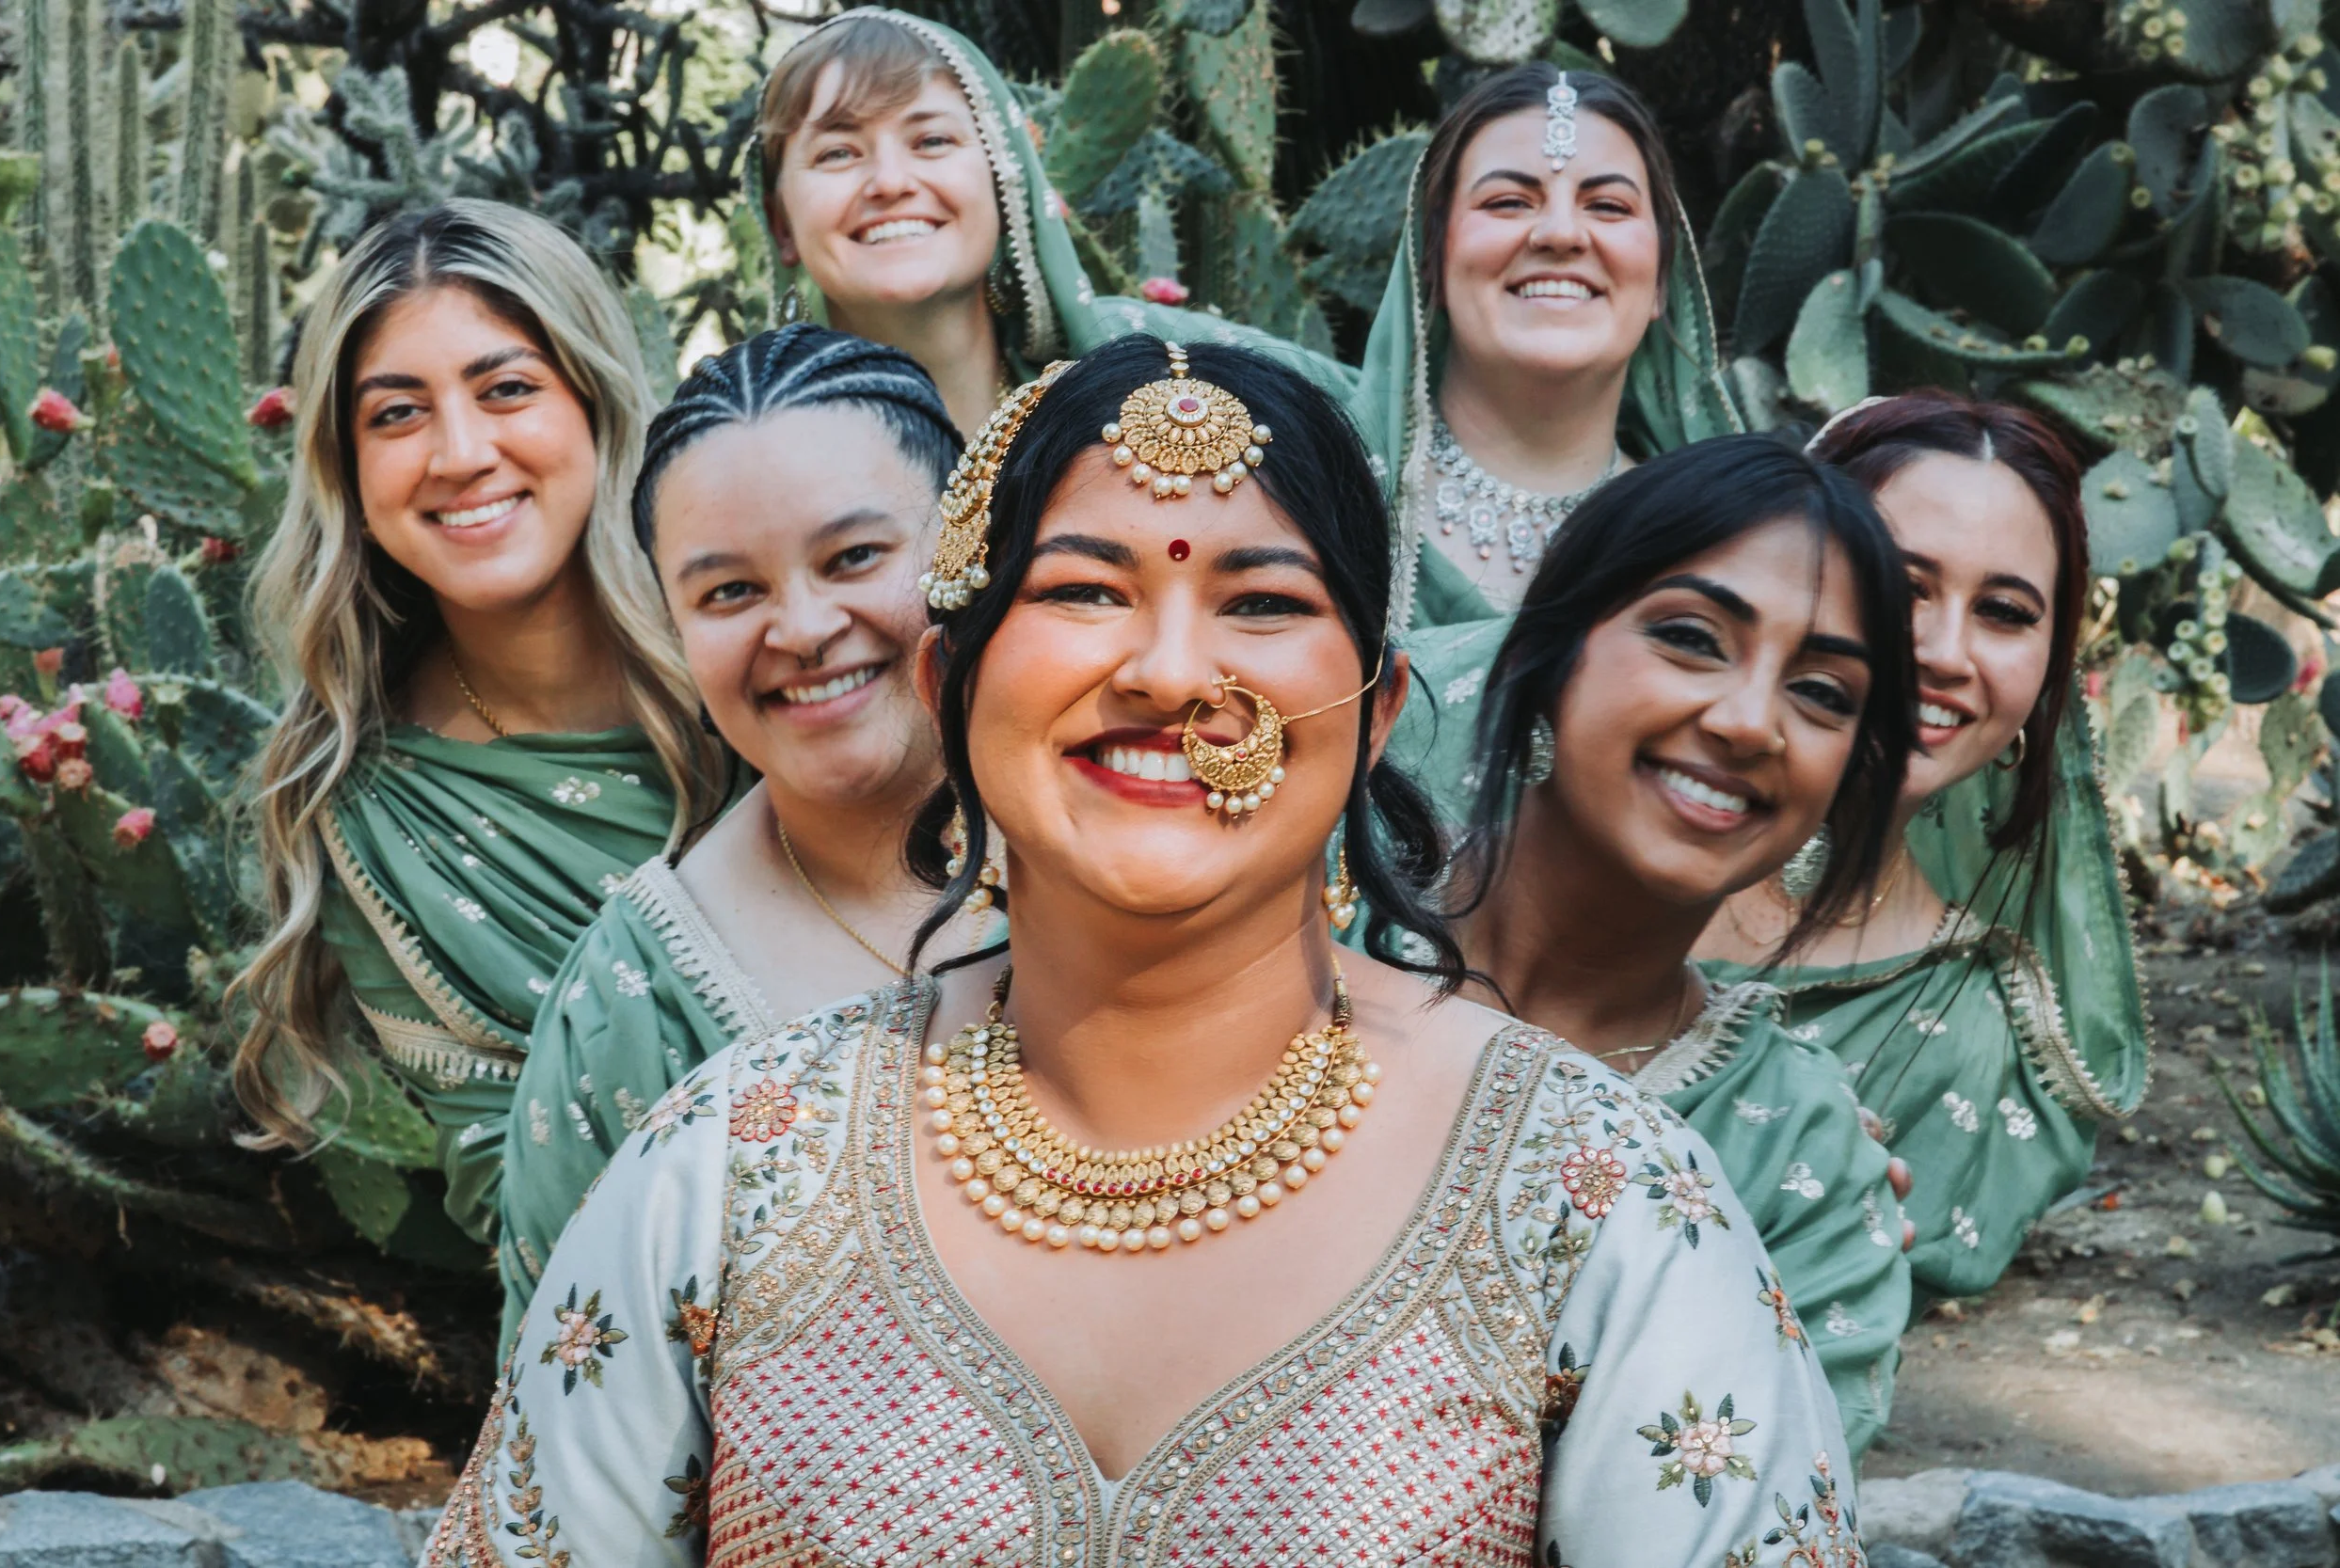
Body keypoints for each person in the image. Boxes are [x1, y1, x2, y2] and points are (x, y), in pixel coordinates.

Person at [422, 338, 1868, 1567]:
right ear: (952, 680)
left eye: (1263, 601)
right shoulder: (731, 1170)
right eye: (1084, 590)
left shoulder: (1598, 1199)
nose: (1172, 674)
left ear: (1373, 713)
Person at [1387, 435, 1918, 1458]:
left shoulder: (1796, 1154)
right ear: (1550, 654)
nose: (1749, 721)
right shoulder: (1298, 943)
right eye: (1691, 636)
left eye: (1821, 693)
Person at [231, 200, 727, 1243]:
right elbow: (509, 1183)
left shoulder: (754, 661)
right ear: (348, 470)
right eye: (396, 414)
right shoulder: (365, 811)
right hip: (644, 1322)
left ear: (592, 401)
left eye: (507, 389)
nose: (459, 453)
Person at [496, 324, 995, 1335]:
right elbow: (563, 1420)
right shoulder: (634, 1003)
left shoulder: (1139, 827)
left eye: (854, 556)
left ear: (967, 548)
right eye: (730, 591)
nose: (802, 629)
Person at [1695, 392, 2151, 1309]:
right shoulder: (1559, 813)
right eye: (1905, 587)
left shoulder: (1970, 1038)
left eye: (2005, 611)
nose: (1945, 652)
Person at [756, 8, 1346, 436]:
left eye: (932, 140)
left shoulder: (1169, 378)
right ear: (781, 223)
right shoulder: (749, 451)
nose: (889, 181)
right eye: (838, 153)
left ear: (1008, 184)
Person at [1348, 62, 1742, 632]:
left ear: (1661, 280)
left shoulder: (1712, 538)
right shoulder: (1324, 498)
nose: (1560, 234)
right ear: (1429, 260)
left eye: (1608, 206)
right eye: (1508, 202)